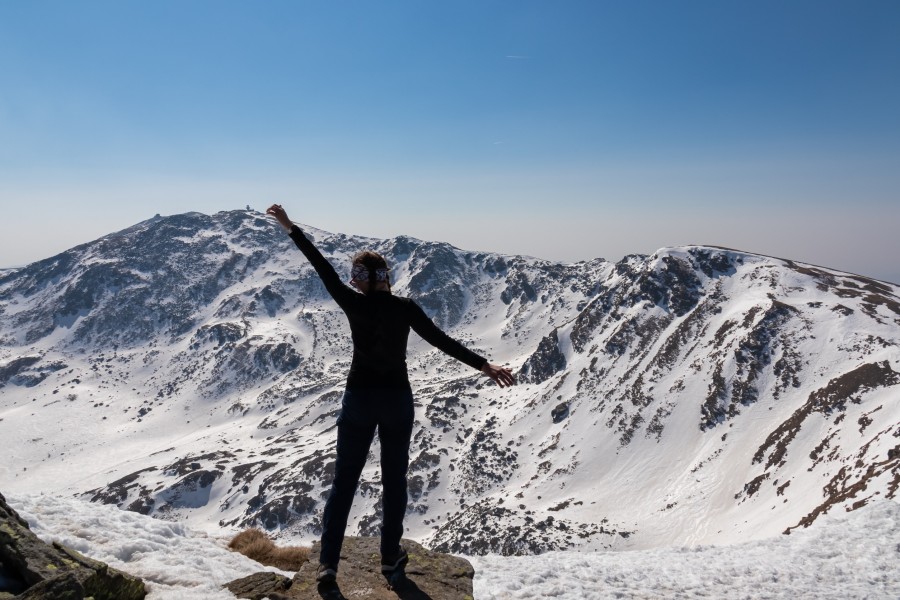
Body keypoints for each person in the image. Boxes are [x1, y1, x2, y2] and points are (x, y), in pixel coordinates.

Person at [266, 204, 515, 583]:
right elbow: (440, 340)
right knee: (394, 478)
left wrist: (290, 228)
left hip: (359, 399)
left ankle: (328, 563)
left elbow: (321, 267)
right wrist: (484, 365)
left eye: (355, 277)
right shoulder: (404, 308)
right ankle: (389, 558)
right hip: (397, 400)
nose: (350, 282)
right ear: (386, 277)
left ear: (362, 279)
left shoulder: (353, 303)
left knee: (345, 479)